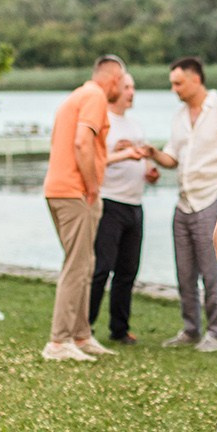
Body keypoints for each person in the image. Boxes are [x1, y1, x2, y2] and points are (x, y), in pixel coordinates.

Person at [149, 56, 217, 351]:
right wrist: (151, 153)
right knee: (184, 273)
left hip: (210, 200)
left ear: (195, 79)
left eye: (178, 83)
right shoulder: (179, 117)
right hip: (183, 203)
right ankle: (190, 330)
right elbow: (171, 158)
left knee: (210, 272)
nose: (174, 89)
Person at [41, 55, 122, 361]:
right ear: (114, 79)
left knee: (85, 263)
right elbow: (81, 143)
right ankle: (58, 341)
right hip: (74, 192)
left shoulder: (75, 96)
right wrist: (92, 186)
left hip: (58, 189)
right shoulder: (95, 96)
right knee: (77, 266)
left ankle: (81, 335)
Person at [89, 70, 155, 346]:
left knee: (127, 271)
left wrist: (149, 172)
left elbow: (142, 163)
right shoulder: (103, 122)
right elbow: (94, 161)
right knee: (101, 268)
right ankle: (85, 326)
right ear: (115, 89)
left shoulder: (134, 126)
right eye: (127, 87)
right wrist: (123, 153)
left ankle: (119, 328)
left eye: (133, 87)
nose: (131, 92)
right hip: (109, 202)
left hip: (135, 205)